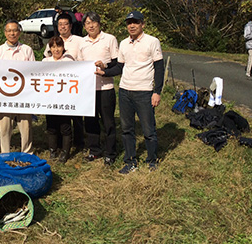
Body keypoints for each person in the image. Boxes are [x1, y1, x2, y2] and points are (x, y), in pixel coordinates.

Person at [99, 11, 164, 174]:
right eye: (129, 23)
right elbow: (120, 67)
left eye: (135, 22)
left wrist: (157, 92)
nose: (132, 25)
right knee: (127, 129)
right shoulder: (123, 43)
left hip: (144, 91)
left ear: (142, 24)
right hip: (125, 91)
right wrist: (104, 72)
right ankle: (130, 161)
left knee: (148, 129)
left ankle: (152, 160)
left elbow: (159, 68)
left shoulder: (152, 41)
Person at [78, 11, 119, 166]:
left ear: (99, 23)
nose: (91, 25)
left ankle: (110, 153)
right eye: (87, 23)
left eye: (93, 22)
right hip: (88, 89)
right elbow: (79, 65)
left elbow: (117, 64)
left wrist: (105, 66)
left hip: (106, 87)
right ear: (84, 26)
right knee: (90, 121)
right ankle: (95, 150)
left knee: (108, 122)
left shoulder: (109, 39)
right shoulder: (82, 43)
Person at [0, 19, 35, 153]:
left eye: (15, 30)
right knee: (4, 126)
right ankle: (5, 153)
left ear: (19, 32)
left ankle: (27, 152)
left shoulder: (27, 50)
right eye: (9, 30)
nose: (12, 33)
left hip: (23, 94)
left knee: (26, 125)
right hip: (4, 95)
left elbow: (33, 71)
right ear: (5, 33)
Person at [43, 13, 85, 152]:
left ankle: (79, 143)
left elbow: (83, 60)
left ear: (71, 25)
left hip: (73, 84)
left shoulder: (80, 41)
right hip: (55, 88)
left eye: (65, 24)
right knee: (59, 119)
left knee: (76, 116)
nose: (62, 27)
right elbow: (46, 61)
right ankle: (59, 145)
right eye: (60, 24)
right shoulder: (53, 41)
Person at [43, 36, 74, 163]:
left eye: (59, 46)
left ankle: (65, 152)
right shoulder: (45, 62)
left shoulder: (69, 61)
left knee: (65, 126)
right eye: (53, 47)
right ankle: (53, 150)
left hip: (65, 99)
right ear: (50, 48)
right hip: (49, 99)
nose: (56, 49)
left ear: (63, 48)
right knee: (51, 126)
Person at [244, 14, 252, 81]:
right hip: (250, 45)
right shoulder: (248, 26)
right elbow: (246, 36)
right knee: (251, 59)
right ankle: (248, 73)